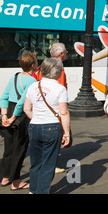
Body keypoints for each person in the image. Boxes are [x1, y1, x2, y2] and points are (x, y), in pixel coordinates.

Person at [23, 58, 71, 194]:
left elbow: (27, 108)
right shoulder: (60, 89)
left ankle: (33, 190)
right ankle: (42, 191)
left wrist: (37, 118)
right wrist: (66, 133)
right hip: (52, 126)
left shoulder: (33, 86)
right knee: (48, 164)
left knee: (35, 162)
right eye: (60, 70)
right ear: (55, 72)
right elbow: (64, 112)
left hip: (34, 126)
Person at [0, 52, 38, 190]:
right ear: (33, 65)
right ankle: (16, 181)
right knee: (19, 149)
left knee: (8, 148)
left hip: (9, 110)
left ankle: (5, 178)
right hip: (20, 117)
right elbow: (22, 103)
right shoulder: (33, 81)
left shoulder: (14, 77)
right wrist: (12, 118)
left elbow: (3, 97)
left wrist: (4, 116)